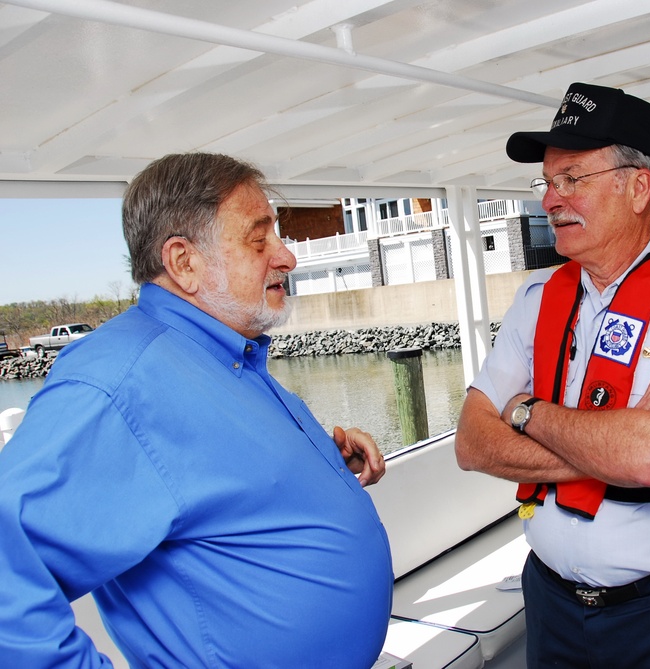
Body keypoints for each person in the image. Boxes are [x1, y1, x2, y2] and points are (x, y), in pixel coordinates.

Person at [0, 153, 393, 667]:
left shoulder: (227, 353)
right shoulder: (120, 378)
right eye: (259, 239)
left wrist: (324, 464)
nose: (287, 258)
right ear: (184, 262)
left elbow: (211, 483)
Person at [454, 82, 650, 668]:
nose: (550, 200)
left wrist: (526, 412)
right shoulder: (536, 299)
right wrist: (622, 435)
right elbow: (470, 443)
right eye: (547, 182)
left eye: (572, 179)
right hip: (552, 605)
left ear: (638, 187)